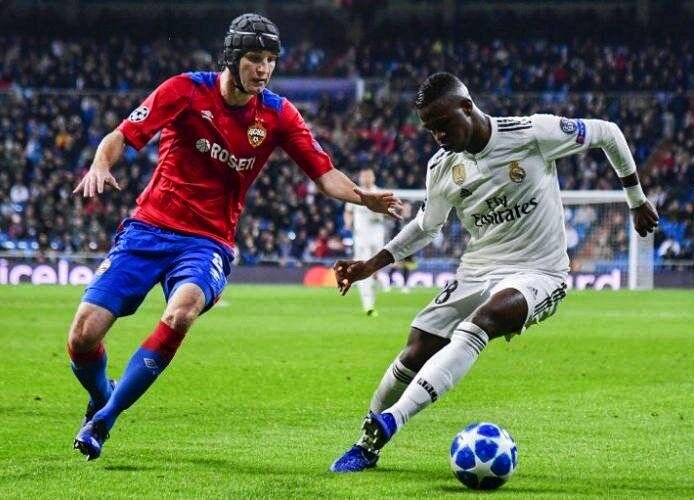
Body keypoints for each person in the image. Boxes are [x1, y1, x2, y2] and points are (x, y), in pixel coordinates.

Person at [68, 13, 401, 461]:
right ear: (231, 57)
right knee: (83, 336)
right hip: (147, 229)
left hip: (207, 242)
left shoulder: (278, 114)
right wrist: (99, 164)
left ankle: (104, 420)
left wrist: (363, 197)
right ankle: (102, 395)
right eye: (254, 59)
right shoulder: (185, 90)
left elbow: (324, 175)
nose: (264, 69)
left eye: (271, 60)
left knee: (181, 312)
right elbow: (121, 135)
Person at [329, 72, 658, 472]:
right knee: (415, 349)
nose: (439, 136)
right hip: (478, 269)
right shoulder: (442, 167)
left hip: (539, 271)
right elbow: (427, 227)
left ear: (467, 107)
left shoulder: (531, 134)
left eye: (443, 124)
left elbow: (608, 133)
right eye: (430, 130)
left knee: (481, 322)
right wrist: (371, 264)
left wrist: (636, 199)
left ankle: (391, 421)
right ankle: (366, 444)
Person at [343, 168, 386, 316]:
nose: (366, 179)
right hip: (361, 238)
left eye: (369, 176)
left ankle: (373, 290)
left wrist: (380, 211)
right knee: (363, 268)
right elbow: (348, 211)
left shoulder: (380, 193)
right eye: (364, 176)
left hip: (377, 236)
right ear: (360, 178)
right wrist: (348, 223)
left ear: (373, 178)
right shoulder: (355, 193)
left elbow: (389, 213)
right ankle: (368, 305)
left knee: (374, 270)